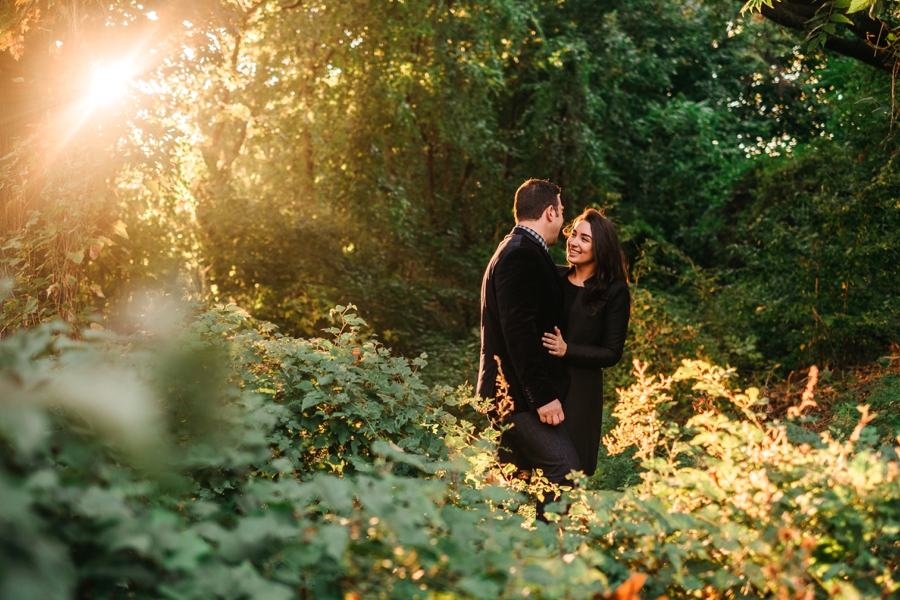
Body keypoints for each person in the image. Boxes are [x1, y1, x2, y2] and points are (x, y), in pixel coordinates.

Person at [476, 179, 580, 520]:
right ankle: (551, 548)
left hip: (513, 392)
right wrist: (542, 396)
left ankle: (506, 548)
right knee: (564, 469)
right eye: (561, 213)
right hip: (515, 394)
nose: (562, 221)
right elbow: (518, 331)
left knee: (512, 485)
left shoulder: (521, 250)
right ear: (549, 212)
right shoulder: (520, 254)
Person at [541, 208, 631, 475]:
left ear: (600, 247)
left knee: (570, 472)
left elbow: (612, 352)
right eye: (573, 234)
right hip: (543, 386)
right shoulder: (553, 277)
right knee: (531, 471)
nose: (573, 242)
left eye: (584, 238)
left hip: (580, 393)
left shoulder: (614, 292)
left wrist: (567, 350)